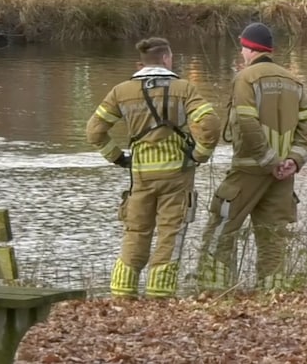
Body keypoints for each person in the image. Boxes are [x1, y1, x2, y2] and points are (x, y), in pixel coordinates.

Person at [85, 37, 220, 299]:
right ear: (167, 59)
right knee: (171, 232)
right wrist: (199, 155)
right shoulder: (184, 89)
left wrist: (117, 158)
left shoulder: (121, 92)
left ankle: (122, 294)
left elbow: (94, 131)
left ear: (140, 63)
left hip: (140, 177)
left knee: (136, 231)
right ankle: (160, 295)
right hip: (177, 176)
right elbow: (210, 126)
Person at [195, 23, 307, 291]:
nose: (241, 53)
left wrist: (269, 160)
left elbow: (247, 124)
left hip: (248, 171)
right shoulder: (292, 80)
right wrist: (293, 161)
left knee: (221, 229)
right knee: (273, 237)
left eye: (243, 48)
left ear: (251, 49)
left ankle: (212, 291)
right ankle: (272, 293)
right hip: (283, 175)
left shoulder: (245, 78)